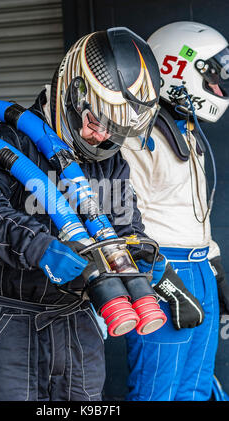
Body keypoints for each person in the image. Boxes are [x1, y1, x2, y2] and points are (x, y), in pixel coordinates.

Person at [0, 27, 162, 401]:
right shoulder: (2, 139)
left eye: (118, 130)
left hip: (78, 325)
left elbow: (126, 223)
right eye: (98, 122)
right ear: (72, 93)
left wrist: (140, 252)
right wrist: (41, 248)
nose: (103, 138)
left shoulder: (108, 160)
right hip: (5, 327)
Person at [122, 21, 229, 401]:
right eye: (213, 75)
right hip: (164, 273)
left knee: (196, 388)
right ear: (177, 67)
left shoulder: (187, 133)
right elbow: (123, 227)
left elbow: (193, 213)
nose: (219, 88)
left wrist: (214, 270)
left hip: (198, 270)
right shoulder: (137, 136)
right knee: (158, 391)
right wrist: (163, 281)